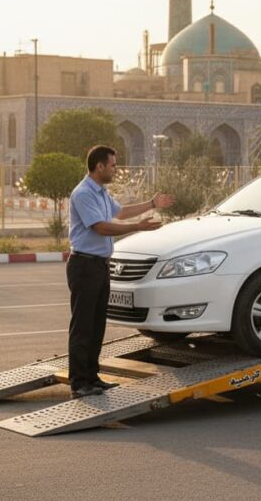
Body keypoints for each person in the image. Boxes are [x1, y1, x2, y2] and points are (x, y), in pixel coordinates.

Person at [66, 145, 174, 399]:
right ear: (99, 166)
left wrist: (151, 204)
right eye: (113, 164)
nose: (116, 169)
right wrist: (138, 227)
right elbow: (101, 228)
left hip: (100, 265)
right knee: (83, 326)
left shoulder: (101, 193)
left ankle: (92, 377)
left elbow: (120, 212)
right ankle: (79, 383)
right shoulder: (83, 194)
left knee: (96, 324)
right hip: (84, 265)